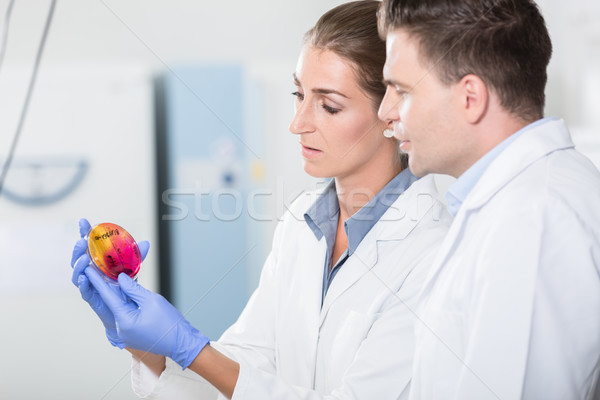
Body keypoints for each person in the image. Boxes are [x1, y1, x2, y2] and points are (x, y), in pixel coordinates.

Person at [70, 1, 451, 399]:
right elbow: (248, 364)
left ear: (393, 112)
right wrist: (149, 347)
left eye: (329, 105)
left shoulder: (431, 252)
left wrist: (190, 347)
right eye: (298, 94)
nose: (297, 123)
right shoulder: (301, 222)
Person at [376, 0, 600, 399]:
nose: (385, 111)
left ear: (470, 98)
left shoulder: (535, 220)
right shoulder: (507, 203)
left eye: (401, 90)